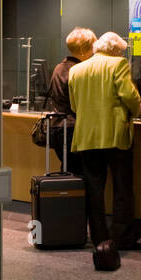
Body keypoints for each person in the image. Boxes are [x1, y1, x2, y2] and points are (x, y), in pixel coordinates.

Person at [69, 31, 141, 261]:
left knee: (94, 189)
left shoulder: (76, 70)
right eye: (121, 50)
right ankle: (121, 238)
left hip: (87, 136)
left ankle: (100, 237)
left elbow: (74, 104)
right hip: (115, 135)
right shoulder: (118, 64)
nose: (122, 54)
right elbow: (128, 95)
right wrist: (138, 108)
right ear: (114, 50)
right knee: (122, 188)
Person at [47, 27, 95, 173]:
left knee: (68, 170)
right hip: (73, 128)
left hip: (57, 127)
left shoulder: (59, 67)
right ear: (84, 49)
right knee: (79, 172)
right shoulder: (80, 70)